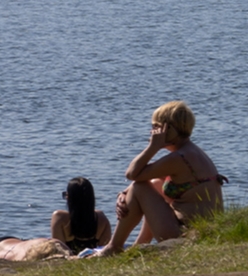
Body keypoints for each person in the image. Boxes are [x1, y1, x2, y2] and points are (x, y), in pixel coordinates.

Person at [94, 101, 225, 256]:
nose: (152, 132)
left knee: (139, 188)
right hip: (202, 231)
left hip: (186, 234)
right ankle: (140, 245)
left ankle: (113, 247)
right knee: (155, 183)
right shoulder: (191, 152)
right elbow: (152, 176)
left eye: (156, 127)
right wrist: (124, 193)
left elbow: (132, 174)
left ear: (168, 129)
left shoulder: (179, 158)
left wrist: (153, 147)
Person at [50, 177, 112, 254]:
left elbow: (59, 251)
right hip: (93, 259)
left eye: (66, 195)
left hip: (69, 260)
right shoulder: (101, 218)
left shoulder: (60, 218)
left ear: (70, 198)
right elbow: (104, 251)